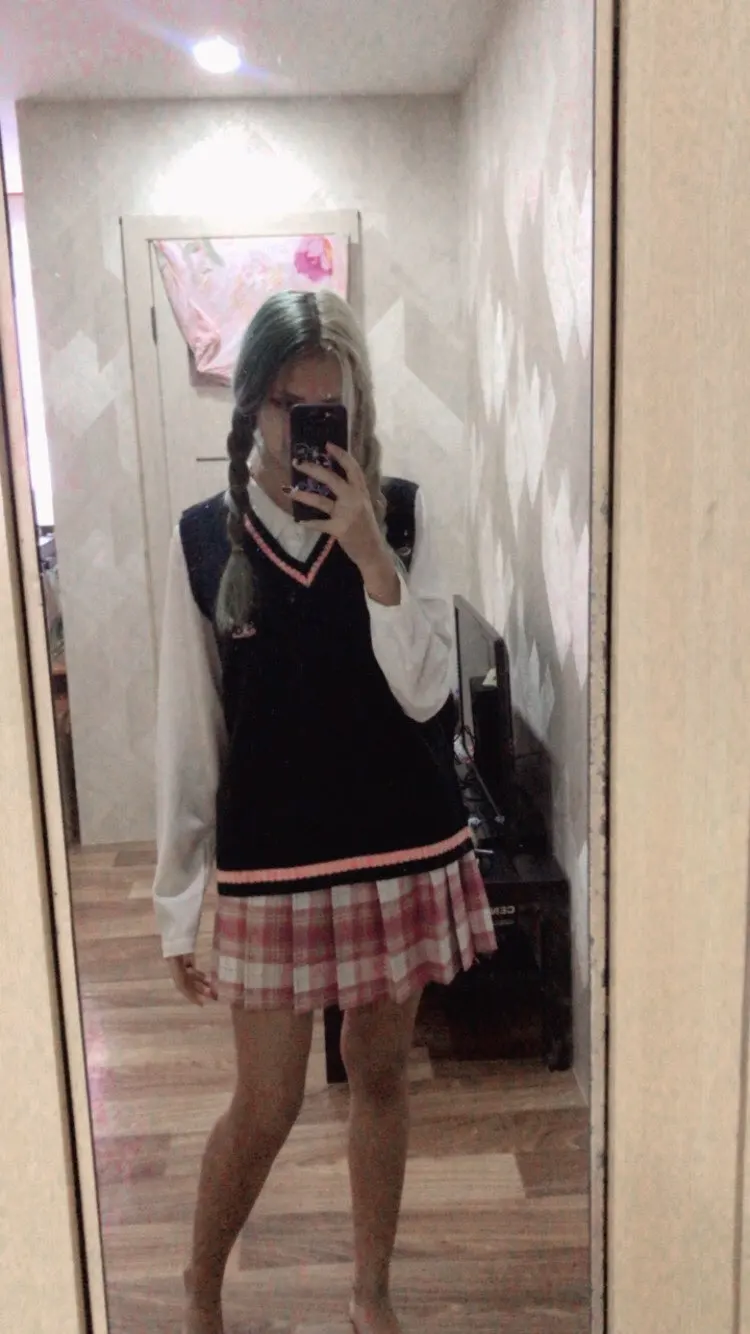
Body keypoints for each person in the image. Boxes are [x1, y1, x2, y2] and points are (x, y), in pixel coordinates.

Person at [151, 288, 496, 1334]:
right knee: (267, 1103)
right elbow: (189, 729)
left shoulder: (403, 514)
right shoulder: (203, 538)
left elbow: (430, 696)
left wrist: (372, 555)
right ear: (251, 403)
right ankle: (200, 1287)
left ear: (354, 401)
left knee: (381, 1075)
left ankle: (369, 1292)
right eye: (285, 405)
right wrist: (177, 899)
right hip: (273, 861)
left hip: (401, 842)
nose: (303, 424)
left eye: (326, 405)